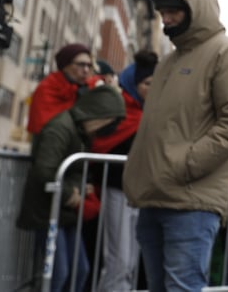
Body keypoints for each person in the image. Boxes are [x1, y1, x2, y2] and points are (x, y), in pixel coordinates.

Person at [123, 0, 228, 292]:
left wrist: (184, 165)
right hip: (154, 197)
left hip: (191, 203)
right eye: (162, 12)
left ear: (195, 8)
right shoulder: (169, 60)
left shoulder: (227, 54)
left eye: (172, 11)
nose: (165, 19)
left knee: (182, 287)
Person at [17, 84, 126, 292]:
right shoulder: (61, 129)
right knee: (58, 274)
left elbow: (70, 171)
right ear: (98, 114)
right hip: (48, 211)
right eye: (111, 121)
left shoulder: (80, 132)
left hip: (64, 212)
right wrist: (73, 195)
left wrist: (81, 188)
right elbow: (45, 171)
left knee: (79, 270)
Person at [89, 50, 157, 292]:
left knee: (128, 262)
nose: (153, 88)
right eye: (148, 83)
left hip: (138, 195)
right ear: (133, 83)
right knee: (119, 260)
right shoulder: (118, 110)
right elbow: (99, 145)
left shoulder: (149, 113)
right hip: (117, 190)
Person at [27, 42, 102, 135]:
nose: (86, 70)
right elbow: (47, 128)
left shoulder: (87, 89)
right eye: (81, 64)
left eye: (89, 65)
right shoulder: (48, 88)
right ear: (66, 66)